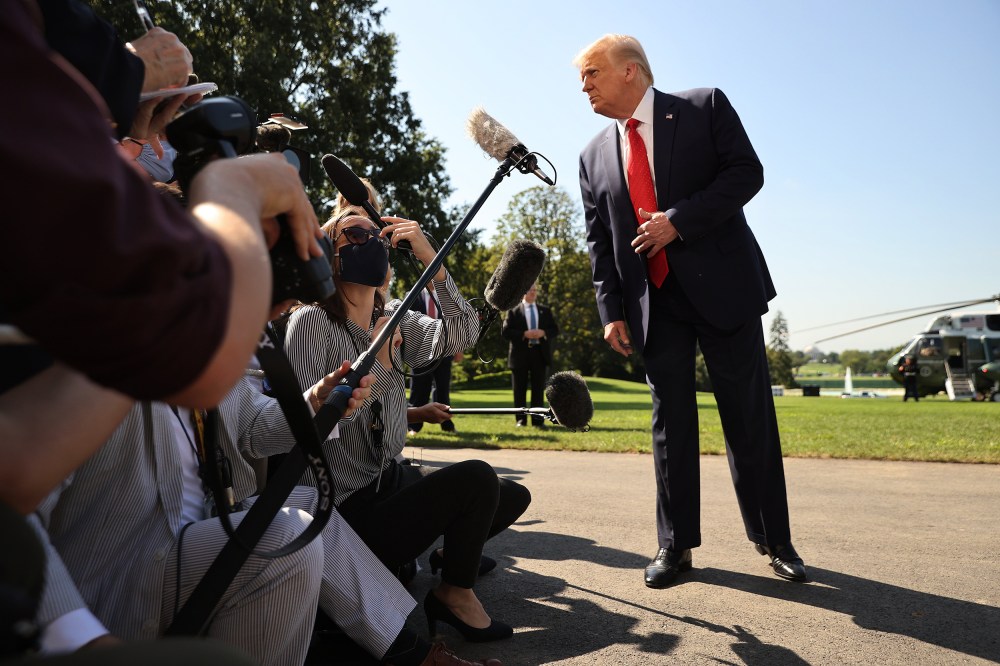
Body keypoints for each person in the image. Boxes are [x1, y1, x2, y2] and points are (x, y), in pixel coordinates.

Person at [574, 34, 806, 588]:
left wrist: (679, 219)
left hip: (723, 288)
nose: (583, 86)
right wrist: (610, 310)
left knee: (748, 418)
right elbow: (598, 242)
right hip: (652, 304)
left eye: (591, 73)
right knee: (669, 425)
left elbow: (746, 174)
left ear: (630, 71)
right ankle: (674, 547)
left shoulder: (703, 108)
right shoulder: (590, 155)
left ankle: (775, 540)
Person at [284, 213, 531, 643]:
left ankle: (437, 557)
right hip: (341, 509)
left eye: (377, 234)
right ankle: (454, 592)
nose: (373, 241)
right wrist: (378, 369)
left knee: (509, 494)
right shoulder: (310, 322)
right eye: (356, 234)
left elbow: (463, 334)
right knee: (475, 478)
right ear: (331, 255)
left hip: (388, 481)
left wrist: (430, 261)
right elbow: (312, 433)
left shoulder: (395, 316)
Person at [501, 283, 559, 428]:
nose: (533, 293)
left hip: (539, 354)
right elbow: (506, 332)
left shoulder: (545, 311)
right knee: (519, 390)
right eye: (529, 290)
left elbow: (554, 330)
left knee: (538, 390)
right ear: (523, 293)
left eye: (534, 290)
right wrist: (523, 334)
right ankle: (521, 420)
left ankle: (538, 421)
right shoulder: (513, 311)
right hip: (520, 355)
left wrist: (543, 332)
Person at [408, 284, 460, 433]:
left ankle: (447, 424)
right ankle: (414, 427)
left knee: (443, 388)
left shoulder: (447, 297)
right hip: (419, 351)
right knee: (419, 387)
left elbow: (455, 324)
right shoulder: (413, 296)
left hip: (444, 350)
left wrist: (457, 348)